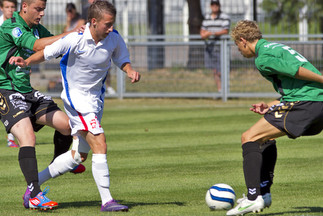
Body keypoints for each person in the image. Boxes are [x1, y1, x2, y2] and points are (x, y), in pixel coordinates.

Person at [10, 0, 141, 212]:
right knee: (100, 142)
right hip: (76, 101)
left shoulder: (114, 38)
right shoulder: (76, 39)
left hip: (95, 101)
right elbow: (46, 52)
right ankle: (107, 200)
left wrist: (129, 70)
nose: (110, 28)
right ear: (94, 21)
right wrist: (26, 62)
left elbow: (121, 58)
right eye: (107, 24)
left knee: (78, 156)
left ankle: (33, 187)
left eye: (112, 24)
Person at [226, 20, 323, 216]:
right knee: (264, 137)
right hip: (313, 102)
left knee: (249, 137)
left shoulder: (262, 58)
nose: (239, 51)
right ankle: (264, 193)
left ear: (243, 41)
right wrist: (271, 105)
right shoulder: (275, 46)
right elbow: (295, 84)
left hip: (307, 104)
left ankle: (253, 198)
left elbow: (295, 70)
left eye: (237, 46)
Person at [0, 0, 86, 210]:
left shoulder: (38, 29)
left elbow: (55, 46)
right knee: (28, 137)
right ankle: (34, 194)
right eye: (38, 9)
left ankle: (59, 162)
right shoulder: (11, 26)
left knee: (67, 126)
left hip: (28, 92)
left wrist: (80, 38)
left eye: (43, 9)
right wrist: (71, 32)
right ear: (25, 7)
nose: (42, 13)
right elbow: (38, 46)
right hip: (6, 91)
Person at [200, 0, 230, 92]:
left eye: (216, 4)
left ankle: (225, 89)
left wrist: (211, 33)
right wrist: (205, 35)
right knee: (215, 70)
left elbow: (225, 31)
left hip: (221, 47)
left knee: (221, 70)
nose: (215, 6)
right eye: (213, 4)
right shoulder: (207, 17)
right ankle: (220, 90)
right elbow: (202, 32)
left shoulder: (224, 17)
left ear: (219, 5)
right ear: (210, 6)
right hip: (210, 47)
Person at [0, 0, 19, 148]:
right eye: (7, 7)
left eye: (13, 7)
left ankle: (11, 138)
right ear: (2, 8)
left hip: (13, 73)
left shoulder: (17, 25)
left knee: (14, 103)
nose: (10, 10)